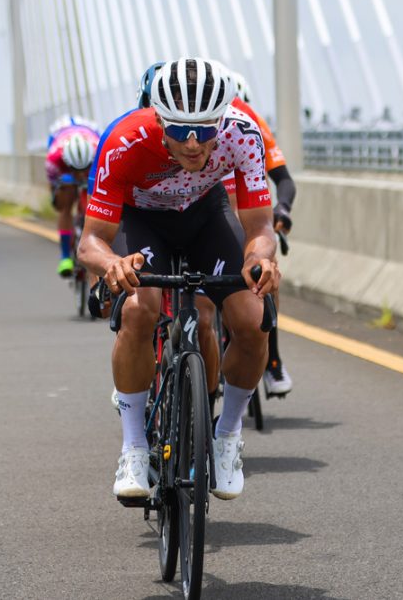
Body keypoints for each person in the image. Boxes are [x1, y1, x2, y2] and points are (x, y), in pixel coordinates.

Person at [78, 57, 279, 501]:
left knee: (251, 319)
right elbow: (90, 241)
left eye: (205, 131)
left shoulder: (243, 132)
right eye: (180, 131)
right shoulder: (125, 140)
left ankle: (226, 438)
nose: (193, 144)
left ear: (221, 121)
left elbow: (260, 229)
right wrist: (111, 262)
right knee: (138, 309)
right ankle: (133, 446)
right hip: (143, 220)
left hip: (206, 215)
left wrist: (260, 259)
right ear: (157, 118)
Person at [228, 71, 297, 397]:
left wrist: (281, 210)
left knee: (267, 276)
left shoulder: (250, 122)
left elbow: (283, 178)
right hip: (209, 207)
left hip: (247, 210)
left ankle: (273, 360)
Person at [46, 118, 100, 276]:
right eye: (76, 170)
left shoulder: (99, 150)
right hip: (60, 141)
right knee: (66, 202)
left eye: (83, 169)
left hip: (90, 133)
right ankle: (64, 257)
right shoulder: (53, 159)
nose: (79, 174)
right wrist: (60, 196)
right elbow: (56, 202)